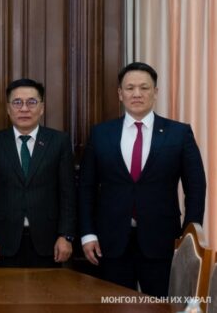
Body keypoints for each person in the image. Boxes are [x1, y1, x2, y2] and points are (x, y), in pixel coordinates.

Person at [79, 62, 206, 297]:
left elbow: (196, 187)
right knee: (113, 306)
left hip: (163, 241)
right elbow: (86, 187)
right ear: (120, 93)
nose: (137, 94)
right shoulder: (101, 133)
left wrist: (189, 237)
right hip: (110, 242)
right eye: (130, 88)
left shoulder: (179, 133)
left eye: (144, 88)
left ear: (155, 92)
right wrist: (88, 233)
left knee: (162, 307)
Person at [0, 78, 76, 267]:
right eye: (17, 102)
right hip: (2, 240)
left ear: (42, 108)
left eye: (31, 102)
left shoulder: (58, 141)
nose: (24, 109)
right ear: (8, 109)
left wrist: (66, 235)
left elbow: (68, 194)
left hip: (49, 240)